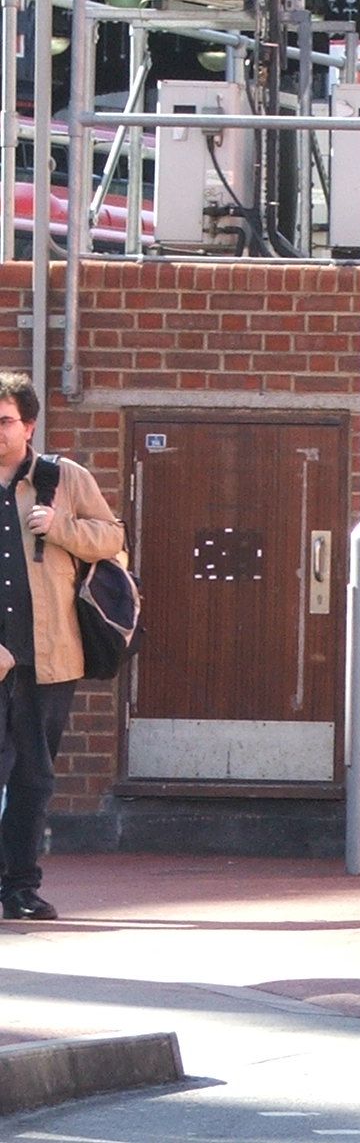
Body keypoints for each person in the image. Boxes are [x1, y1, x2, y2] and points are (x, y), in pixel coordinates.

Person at [0, 372, 125, 922]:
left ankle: (20, 887)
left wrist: (61, 527)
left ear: (28, 425)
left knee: (33, 776)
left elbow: (112, 537)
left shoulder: (62, 478)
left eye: (5, 421)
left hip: (46, 659)